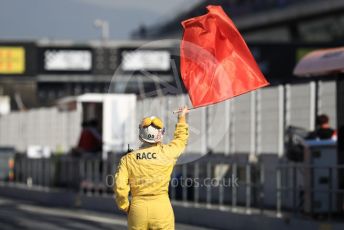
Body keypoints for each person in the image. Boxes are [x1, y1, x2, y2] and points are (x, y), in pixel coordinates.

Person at [114, 106, 189, 230]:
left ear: (140, 134)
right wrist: (181, 118)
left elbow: (120, 185)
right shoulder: (167, 153)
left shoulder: (128, 159)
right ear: (161, 134)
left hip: (138, 207)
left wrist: (125, 205)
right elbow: (181, 141)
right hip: (161, 206)